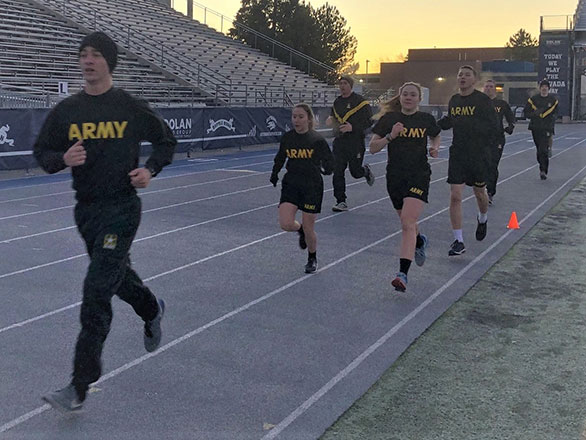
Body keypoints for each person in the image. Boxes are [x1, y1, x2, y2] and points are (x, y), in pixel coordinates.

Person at [33, 31, 177, 413]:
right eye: (83, 54)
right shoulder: (67, 112)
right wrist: (63, 159)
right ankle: (151, 309)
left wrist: (150, 170)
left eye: (95, 54)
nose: (88, 60)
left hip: (122, 208)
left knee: (97, 288)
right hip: (88, 212)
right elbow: (41, 152)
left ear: (109, 61)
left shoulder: (128, 106)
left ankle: (79, 385)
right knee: (116, 278)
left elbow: (166, 142)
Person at [369, 82, 440, 292]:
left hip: (418, 175)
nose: (408, 98)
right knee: (406, 221)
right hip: (395, 177)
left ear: (419, 99)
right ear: (400, 97)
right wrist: (391, 136)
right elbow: (372, 148)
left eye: (413, 95)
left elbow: (435, 134)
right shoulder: (389, 120)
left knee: (408, 222)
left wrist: (434, 147)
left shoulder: (426, 119)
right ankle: (419, 241)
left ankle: (402, 274)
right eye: (405, 94)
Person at [438, 65, 498, 256]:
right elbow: (449, 121)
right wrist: (431, 126)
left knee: (480, 193)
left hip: (478, 155)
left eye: (467, 75)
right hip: (458, 154)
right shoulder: (454, 100)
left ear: (474, 79)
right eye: (460, 74)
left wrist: (487, 148)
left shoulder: (482, 101)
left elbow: (493, 126)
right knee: (455, 195)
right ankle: (458, 240)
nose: (462, 77)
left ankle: (482, 217)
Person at [271, 103, 334, 273]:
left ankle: (312, 257)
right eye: (294, 117)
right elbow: (280, 157)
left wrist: (327, 169)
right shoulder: (288, 138)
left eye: (300, 117)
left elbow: (329, 162)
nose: (296, 120)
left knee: (309, 227)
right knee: (285, 223)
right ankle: (300, 230)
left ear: (308, 119)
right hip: (291, 183)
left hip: (311, 186)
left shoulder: (317, 140)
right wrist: (274, 173)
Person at [326, 76, 375, 212]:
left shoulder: (361, 102)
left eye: (345, 83)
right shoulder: (337, 102)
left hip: (355, 142)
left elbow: (369, 122)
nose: (342, 86)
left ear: (351, 85)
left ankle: (365, 171)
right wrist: (330, 120)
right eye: (340, 83)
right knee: (337, 171)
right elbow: (333, 117)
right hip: (340, 142)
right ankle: (341, 201)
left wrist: (353, 127)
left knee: (355, 172)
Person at [482, 79, 515, 204]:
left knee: (492, 164)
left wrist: (510, 127)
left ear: (495, 89)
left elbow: (511, 118)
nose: (488, 88)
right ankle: (482, 186)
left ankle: (490, 191)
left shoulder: (501, 104)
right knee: (483, 164)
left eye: (491, 86)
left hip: (497, 139)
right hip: (482, 138)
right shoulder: (479, 103)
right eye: (486, 87)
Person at [524, 79, 559, 180]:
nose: (544, 88)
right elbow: (526, 113)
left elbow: (555, 114)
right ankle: (542, 166)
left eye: (546, 86)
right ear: (540, 88)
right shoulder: (533, 100)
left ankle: (543, 170)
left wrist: (551, 120)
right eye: (542, 86)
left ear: (548, 88)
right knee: (539, 150)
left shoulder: (553, 101)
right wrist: (534, 114)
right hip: (536, 127)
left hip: (547, 128)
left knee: (543, 149)